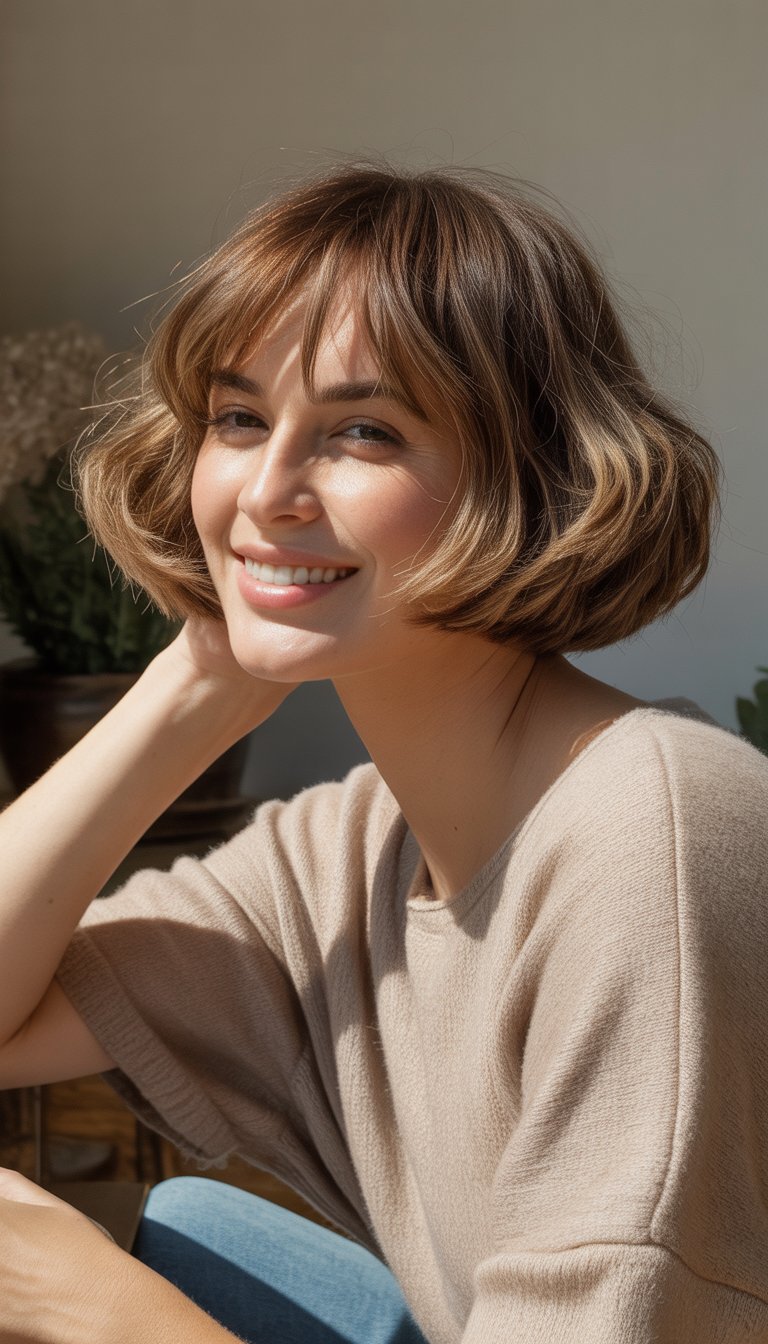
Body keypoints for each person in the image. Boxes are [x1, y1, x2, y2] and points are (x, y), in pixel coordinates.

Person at [0, 161, 766, 1344]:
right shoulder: (349, 849)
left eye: (365, 430)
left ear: (533, 479)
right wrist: (191, 689)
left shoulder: (652, 841)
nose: (266, 490)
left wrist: (101, 1312)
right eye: (239, 418)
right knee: (207, 1230)